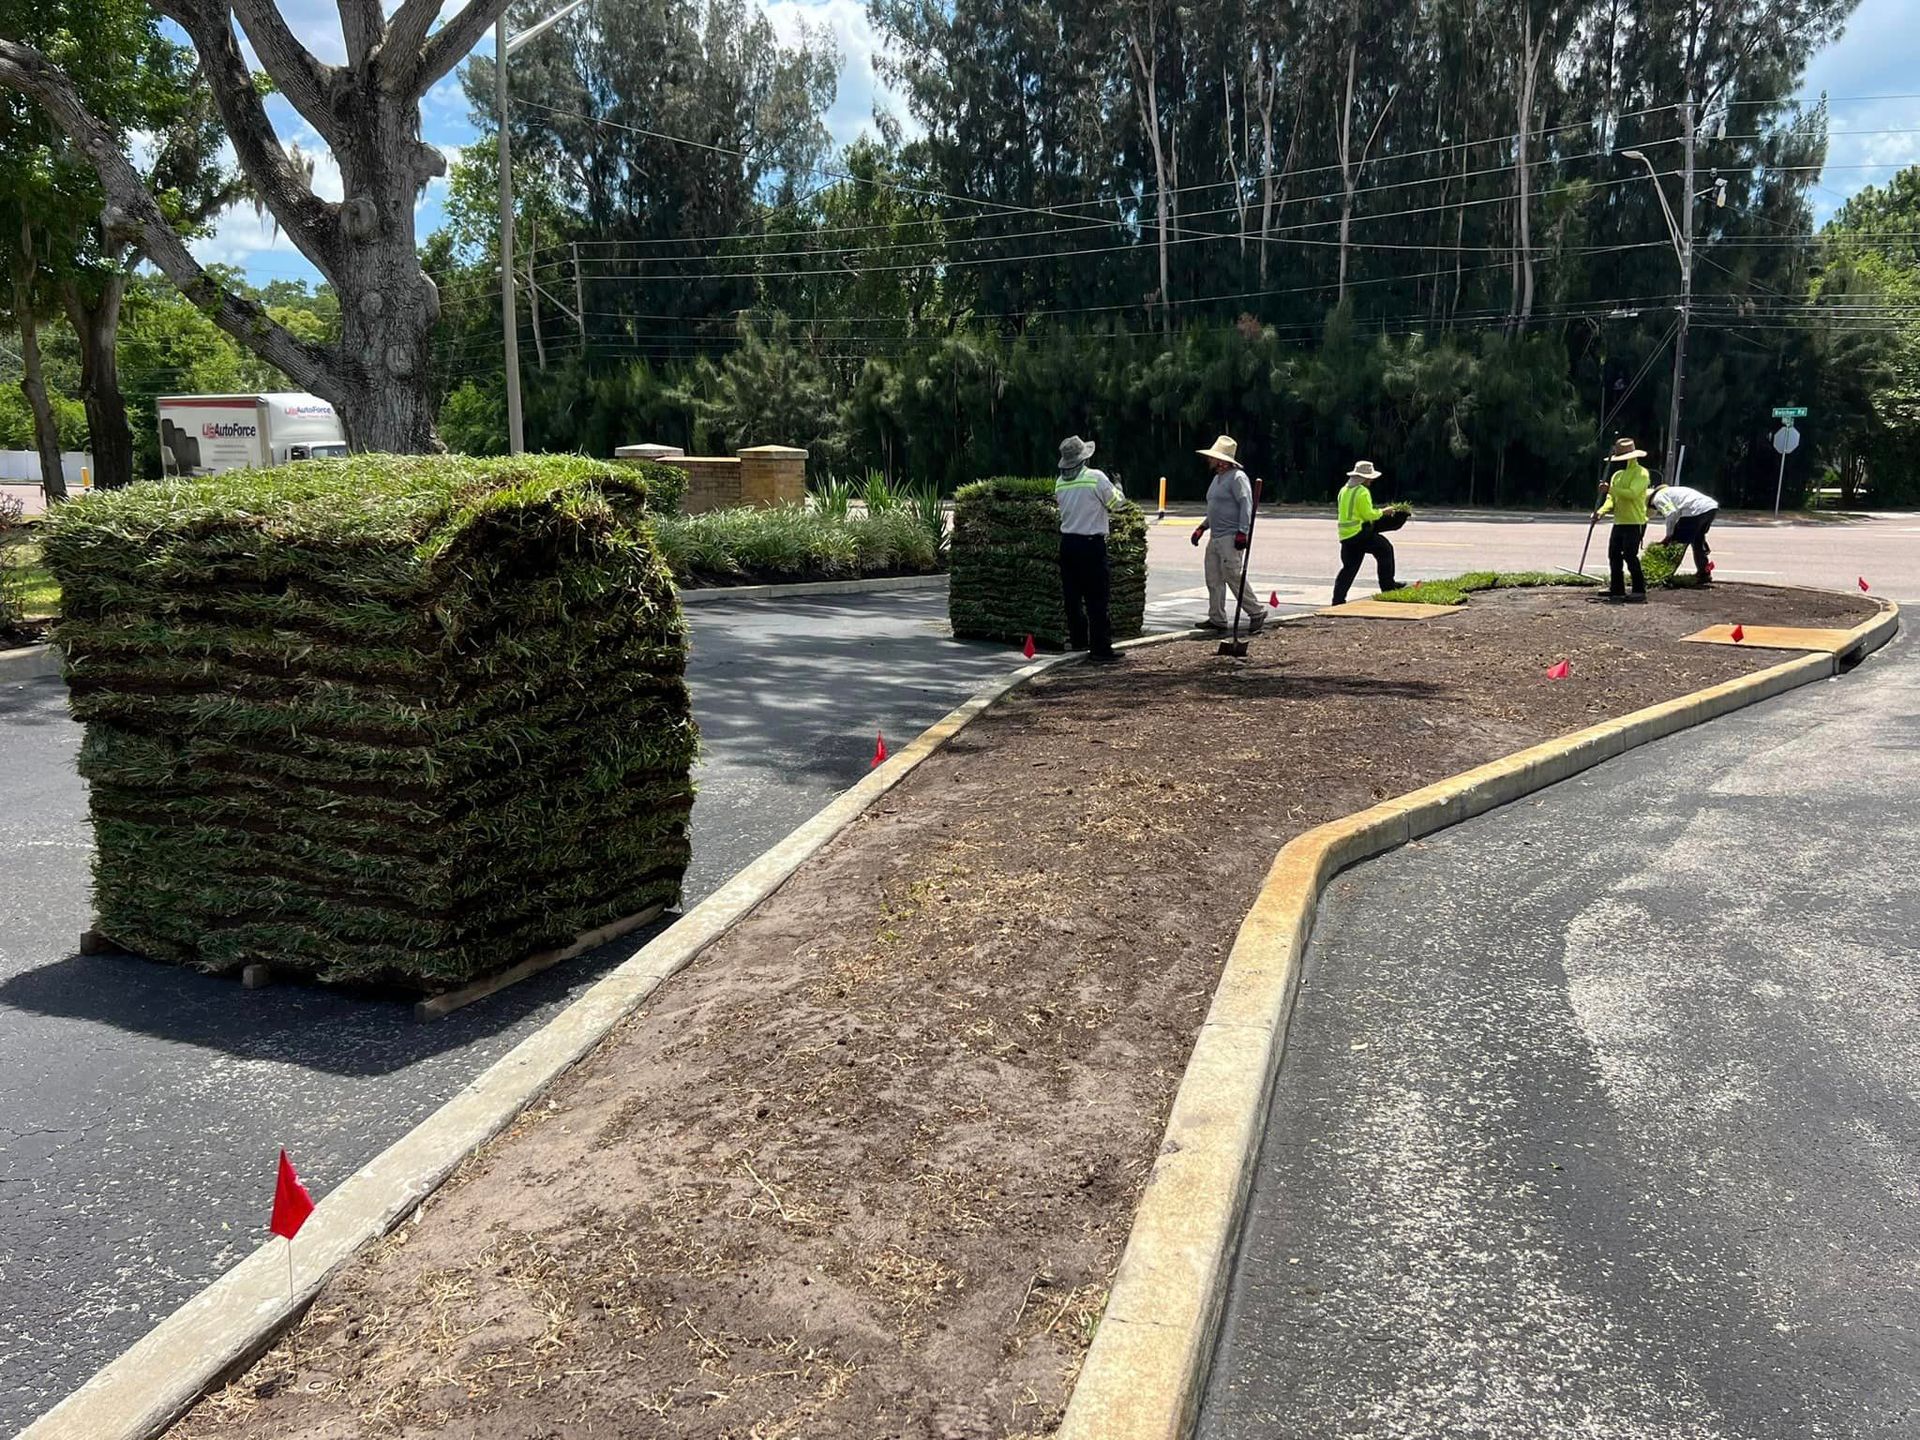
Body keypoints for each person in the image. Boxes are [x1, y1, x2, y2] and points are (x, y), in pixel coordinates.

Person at [1055, 434, 1126, 664]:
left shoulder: (1060, 482)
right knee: (1097, 598)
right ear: (1084, 458)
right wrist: (1118, 486)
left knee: (1073, 597)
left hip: (1067, 545)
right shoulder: (1095, 477)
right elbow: (1117, 503)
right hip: (1091, 546)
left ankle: (1078, 642)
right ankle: (1100, 648)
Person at [1189, 434, 1267, 633]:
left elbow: (1246, 504)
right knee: (1213, 578)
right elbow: (1214, 508)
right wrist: (1202, 527)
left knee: (1233, 576)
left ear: (1221, 460)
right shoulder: (1217, 479)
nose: (1209, 459)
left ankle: (1256, 612)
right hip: (1215, 536)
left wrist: (1243, 532)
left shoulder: (1237, 478)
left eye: (1212, 456)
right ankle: (1217, 618)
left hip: (1230, 537)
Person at [1331, 460, 1399, 605]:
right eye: (1370, 478)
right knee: (1385, 549)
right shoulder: (1362, 491)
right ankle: (1388, 587)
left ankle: (1337, 600)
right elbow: (1368, 515)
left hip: (1346, 536)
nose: (1372, 480)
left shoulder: (1344, 490)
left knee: (1349, 568)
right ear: (1365, 478)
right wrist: (1384, 511)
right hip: (1359, 533)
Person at [1594, 437, 1651, 602]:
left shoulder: (1641, 473)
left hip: (1635, 521)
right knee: (1614, 555)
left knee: (1630, 555)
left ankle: (1639, 590)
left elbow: (1632, 494)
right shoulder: (1617, 475)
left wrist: (1610, 489)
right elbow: (1611, 499)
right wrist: (1601, 512)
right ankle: (1617, 588)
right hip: (1619, 521)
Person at [1650, 479, 1719, 583]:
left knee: (1677, 544)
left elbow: (1671, 513)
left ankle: (1665, 574)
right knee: (1697, 541)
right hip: (1710, 508)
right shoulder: (1671, 491)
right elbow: (1677, 513)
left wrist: (1669, 535)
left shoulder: (1658, 498)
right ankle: (1704, 573)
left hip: (1695, 511)